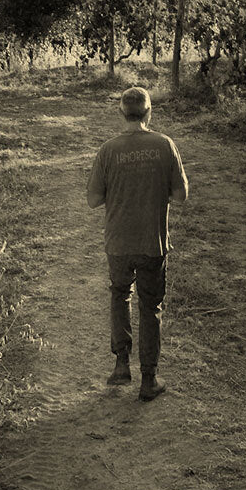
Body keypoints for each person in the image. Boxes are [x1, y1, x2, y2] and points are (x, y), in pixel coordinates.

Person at [87, 86, 188, 401]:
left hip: (118, 242)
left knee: (119, 295)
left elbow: (93, 200)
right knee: (150, 306)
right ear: (149, 113)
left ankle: (120, 365)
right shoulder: (164, 145)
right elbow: (181, 195)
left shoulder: (108, 150)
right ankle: (149, 378)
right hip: (152, 242)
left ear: (121, 113)